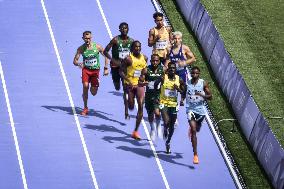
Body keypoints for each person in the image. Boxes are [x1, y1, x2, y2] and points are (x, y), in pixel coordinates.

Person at [73, 31, 109, 115]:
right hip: (86, 70)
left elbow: (106, 56)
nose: (87, 40)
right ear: (83, 38)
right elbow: (74, 61)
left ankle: (91, 88)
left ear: (91, 38)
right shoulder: (81, 49)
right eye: (86, 38)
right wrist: (78, 63)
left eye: (89, 38)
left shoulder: (97, 47)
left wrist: (106, 68)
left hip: (95, 71)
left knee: (93, 93)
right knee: (85, 86)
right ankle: (85, 108)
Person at [103, 22, 134, 119]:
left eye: (126, 28)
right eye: (122, 28)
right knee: (117, 87)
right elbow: (105, 51)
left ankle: (126, 112)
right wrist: (113, 61)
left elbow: (134, 54)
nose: (124, 30)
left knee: (125, 89)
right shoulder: (115, 40)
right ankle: (116, 82)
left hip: (125, 68)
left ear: (128, 29)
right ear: (120, 30)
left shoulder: (131, 41)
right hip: (115, 66)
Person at [182, 66, 212, 164]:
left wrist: (202, 95)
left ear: (199, 74)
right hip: (190, 109)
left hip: (200, 110)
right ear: (191, 74)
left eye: (197, 73)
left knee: (197, 129)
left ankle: (193, 128)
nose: (195, 75)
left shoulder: (203, 83)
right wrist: (182, 100)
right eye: (193, 73)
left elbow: (210, 97)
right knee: (194, 131)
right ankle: (195, 154)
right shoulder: (188, 83)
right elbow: (183, 92)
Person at [120, 41, 148, 140]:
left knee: (141, 106)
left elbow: (144, 71)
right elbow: (121, 72)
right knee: (131, 106)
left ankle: (135, 131)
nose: (137, 48)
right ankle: (127, 103)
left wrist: (144, 77)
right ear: (132, 48)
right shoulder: (128, 59)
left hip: (140, 85)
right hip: (130, 85)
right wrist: (128, 80)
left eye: (139, 46)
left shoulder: (144, 58)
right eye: (135, 47)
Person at [156, 62, 185, 153]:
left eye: (174, 68)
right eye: (170, 68)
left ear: (175, 70)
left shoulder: (179, 79)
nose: (172, 69)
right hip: (163, 103)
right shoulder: (163, 77)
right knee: (166, 121)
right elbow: (155, 86)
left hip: (173, 104)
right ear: (168, 69)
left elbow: (183, 91)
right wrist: (156, 97)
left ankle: (168, 142)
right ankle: (165, 127)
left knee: (172, 125)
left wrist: (179, 92)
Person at [139, 54, 165, 141]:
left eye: (157, 61)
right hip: (149, 95)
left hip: (158, 94)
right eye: (153, 61)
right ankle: (153, 129)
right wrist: (144, 83)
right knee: (150, 115)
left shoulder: (163, 69)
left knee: (157, 113)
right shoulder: (146, 70)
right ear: (150, 61)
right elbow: (140, 82)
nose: (155, 62)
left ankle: (158, 127)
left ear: (159, 61)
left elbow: (167, 80)